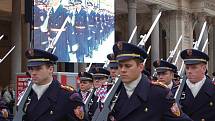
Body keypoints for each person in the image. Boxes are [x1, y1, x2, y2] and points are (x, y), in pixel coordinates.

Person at [108, 42, 192, 121]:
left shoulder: (159, 93)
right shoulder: (112, 92)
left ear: (140, 67)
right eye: (120, 66)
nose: (122, 70)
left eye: (128, 66)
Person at [20, 48, 87, 121]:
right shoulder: (29, 94)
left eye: (38, 68)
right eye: (31, 69)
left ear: (50, 69)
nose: (33, 73)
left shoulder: (68, 96)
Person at [179, 49, 215, 121]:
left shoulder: (213, 89)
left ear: (204, 69)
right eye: (187, 68)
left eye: (194, 67)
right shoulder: (177, 91)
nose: (189, 71)